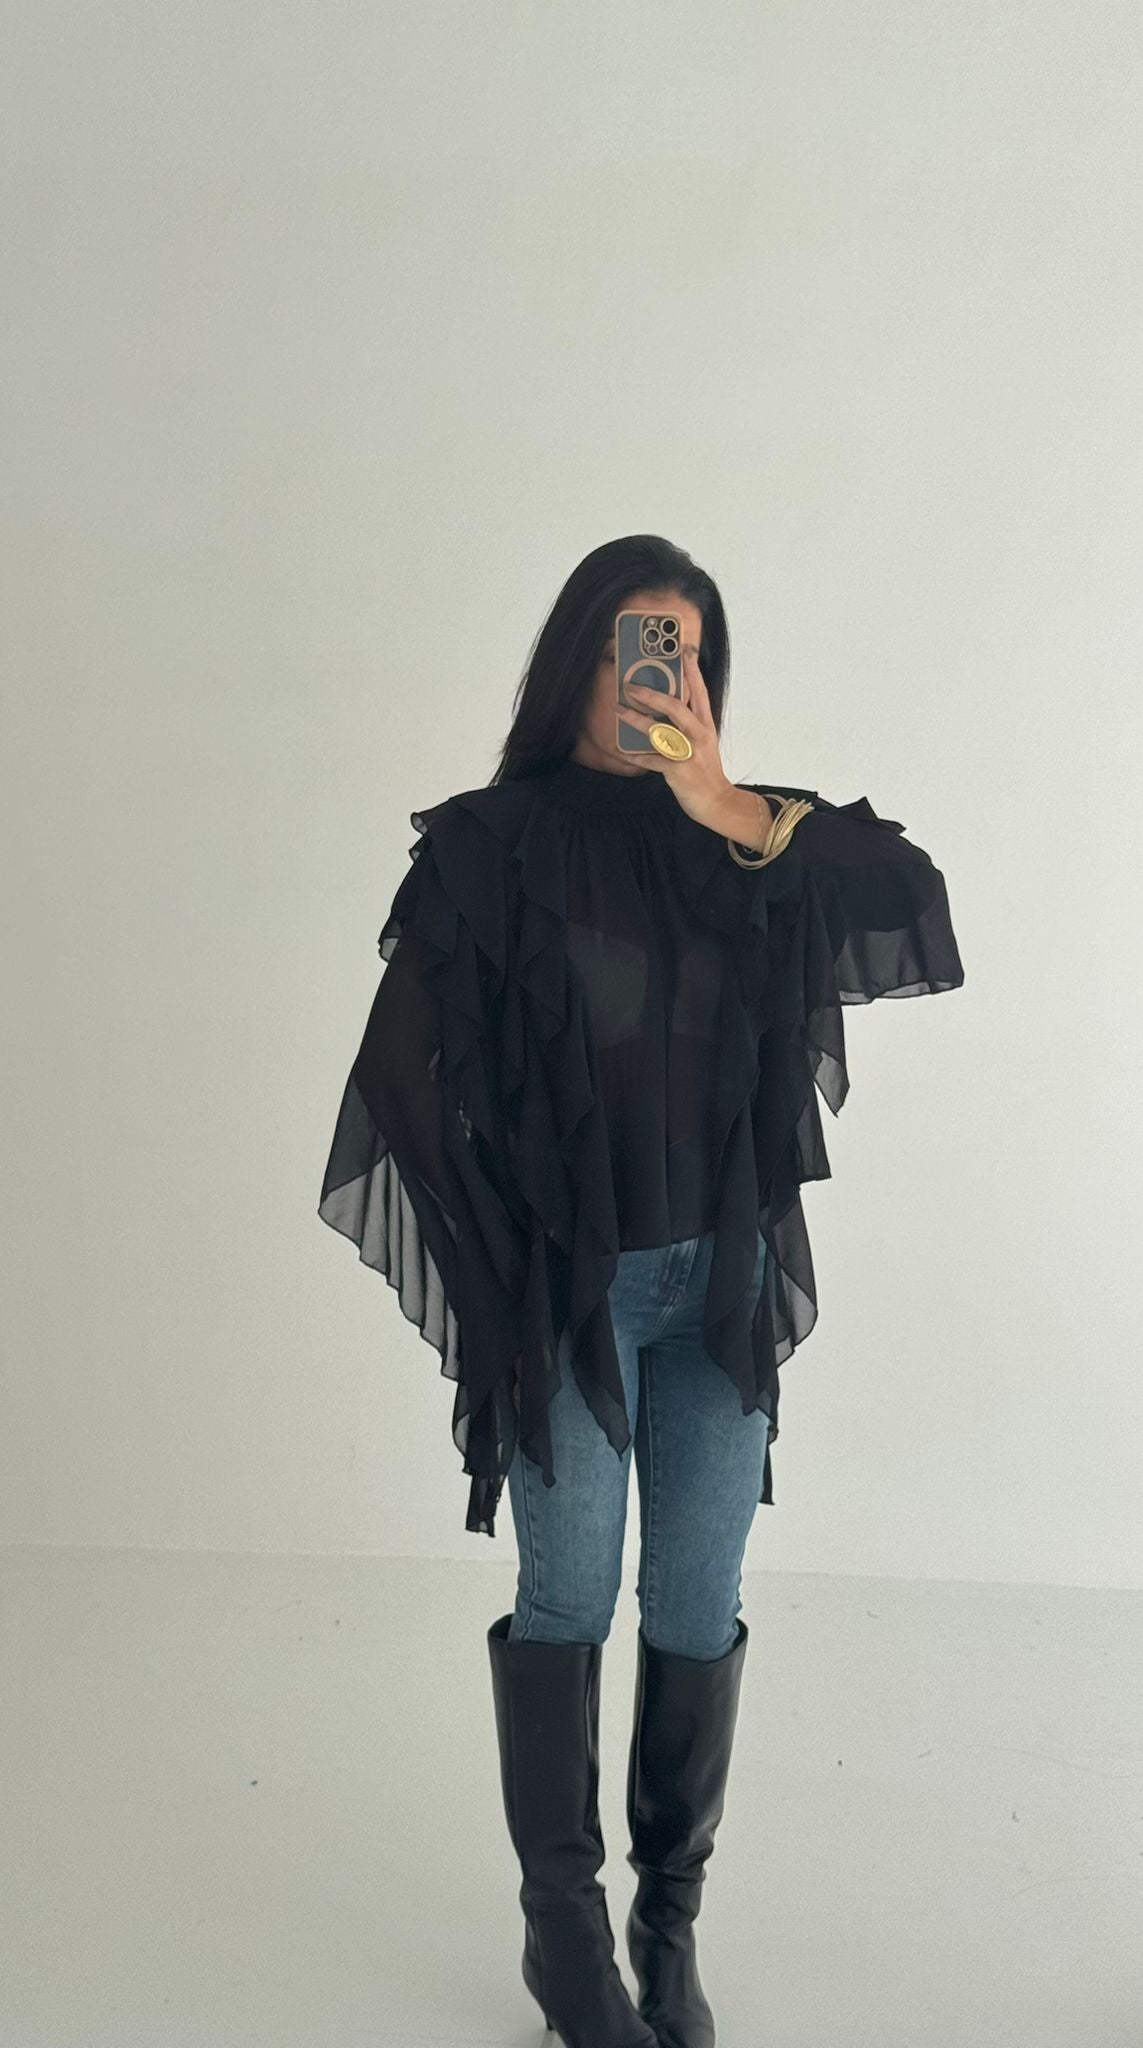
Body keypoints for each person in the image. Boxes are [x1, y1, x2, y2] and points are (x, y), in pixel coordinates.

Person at [317, 534, 964, 2047]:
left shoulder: (751, 838)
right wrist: (506, 1280)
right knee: (568, 1594)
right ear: (578, 664)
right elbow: (397, 1084)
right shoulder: (494, 845)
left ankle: (667, 1932)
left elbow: (918, 906)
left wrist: (728, 803)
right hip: (577, 1307)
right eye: (631, 646)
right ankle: (566, 1942)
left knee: (695, 1599)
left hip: (716, 1299)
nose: (653, 679)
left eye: (681, 652)